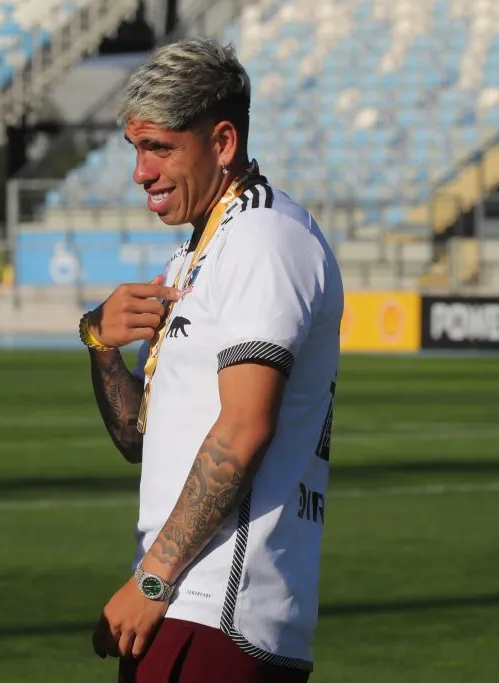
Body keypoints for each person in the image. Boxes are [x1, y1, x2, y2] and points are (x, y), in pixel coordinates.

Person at [81, 38, 343, 683]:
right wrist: (100, 342)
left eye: (160, 148)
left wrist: (151, 581)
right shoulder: (195, 253)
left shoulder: (264, 237)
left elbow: (246, 425)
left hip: (223, 608)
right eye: (136, 150)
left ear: (222, 142)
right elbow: (137, 437)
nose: (140, 172)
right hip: (181, 599)